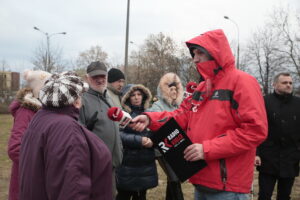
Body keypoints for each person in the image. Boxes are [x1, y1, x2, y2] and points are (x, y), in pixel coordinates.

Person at [130, 29, 268, 200]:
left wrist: (207, 149)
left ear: (215, 53)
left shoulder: (243, 82)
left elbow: (255, 130)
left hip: (228, 187)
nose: (195, 58)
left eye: (200, 52)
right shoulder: (203, 87)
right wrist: (150, 118)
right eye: (193, 53)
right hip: (200, 179)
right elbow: (182, 115)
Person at [19, 72, 113, 200]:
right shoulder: (68, 129)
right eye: (81, 95)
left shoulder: (40, 118)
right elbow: (73, 188)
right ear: (76, 101)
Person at [79, 61, 123, 196]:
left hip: (112, 164)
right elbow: (77, 134)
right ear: (87, 78)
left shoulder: (108, 97)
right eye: (95, 77)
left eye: (102, 76)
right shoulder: (82, 100)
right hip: (95, 167)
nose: (99, 80)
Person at [255, 72, 300, 200]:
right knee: (264, 195)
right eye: (284, 83)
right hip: (268, 158)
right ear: (274, 84)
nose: (288, 85)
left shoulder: (298, 104)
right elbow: (256, 129)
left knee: (285, 196)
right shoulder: (264, 102)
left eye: (290, 83)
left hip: (291, 159)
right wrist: (256, 153)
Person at [7, 69, 51, 200]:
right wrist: (43, 161)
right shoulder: (25, 112)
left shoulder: (45, 110)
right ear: (39, 89)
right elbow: (15, 149)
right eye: (47, 86)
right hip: (27, 179)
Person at [116, 84, 158, 200]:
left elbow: (158, 134)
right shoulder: (122, 115)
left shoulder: (150, 115)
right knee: (123, 195)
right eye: (133, 95)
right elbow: (118, 136)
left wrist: (152, 141)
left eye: (139, 94)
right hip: (127, 165)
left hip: (145, 164)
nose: (136, 97)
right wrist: (139, 140)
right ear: (127, 98)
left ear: (143, 96)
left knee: (141, 196)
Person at [148, 72, 184, 200]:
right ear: (164, 90)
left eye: (175, 89)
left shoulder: (178, 106)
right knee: (174, 178)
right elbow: (154, 126)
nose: (174, 92)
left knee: (174, 178)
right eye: (171, 89)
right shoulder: (157, 106)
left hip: (177, 147)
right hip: (163, 149)